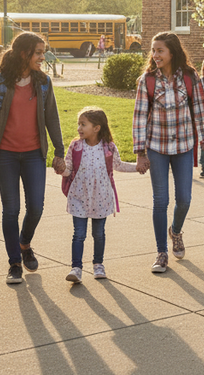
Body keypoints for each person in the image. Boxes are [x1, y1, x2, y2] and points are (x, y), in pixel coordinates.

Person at [0, 31, 66, 285]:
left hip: (33, 155)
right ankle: (14, 262)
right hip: (5, 155)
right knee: (11, 209)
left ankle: (24, 243)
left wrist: (59, 151)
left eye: (43, 52)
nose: (42, 57)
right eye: (38, 53)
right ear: (23, 53)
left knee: (36, 207)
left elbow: (52, 117)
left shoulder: (43, 83)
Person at [132, 31, 204, 274]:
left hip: (184, 146)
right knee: (161, 201)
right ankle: (161, 252)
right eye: (153, 51)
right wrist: (140, 152)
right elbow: (139, 118)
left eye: (160, 51)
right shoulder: (146, 80)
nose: (155, 55)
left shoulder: (190, 77)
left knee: (184, 199)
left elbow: (200, 110)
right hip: (157, 147)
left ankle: (175, 231)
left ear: (172, 52)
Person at [62, 107, 138, 283]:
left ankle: (98, 264)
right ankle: (76, 268)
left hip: (101, 198)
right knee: (78, 234)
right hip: (79, 197)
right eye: (78, 124)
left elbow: (118, 165)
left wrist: (137, 167)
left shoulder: (108, 147)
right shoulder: (76, 146)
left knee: (99, 234)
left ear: (96, 128)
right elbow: (68, 170)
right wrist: (60, 169)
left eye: (83, 124)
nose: (79, 128)